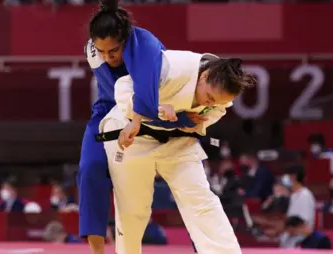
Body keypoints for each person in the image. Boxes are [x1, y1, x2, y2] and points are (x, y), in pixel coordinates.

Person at [77, 0, 194, 254]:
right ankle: (96, 251)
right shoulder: (92, 50)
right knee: (90, 169)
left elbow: (149, 89)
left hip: (152, 111)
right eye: (102, 50)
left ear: (125, 39)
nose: (108, 57)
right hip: (108, 112)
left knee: (147, 189)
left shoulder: (147, 45)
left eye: (114, 51)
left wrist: (175, 115)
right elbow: (112, 89)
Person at [100, 52, 255, 254]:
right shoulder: (170, 67)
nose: (209, 104)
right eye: (208, 98)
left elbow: (217, 111)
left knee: (201, 200)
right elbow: (123, 86)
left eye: (215, 102)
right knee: (133, 210)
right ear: (204, 76)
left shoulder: (220, 91)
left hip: (177, 138)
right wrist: (153, 109)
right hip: (132, 135)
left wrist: (192, 122)